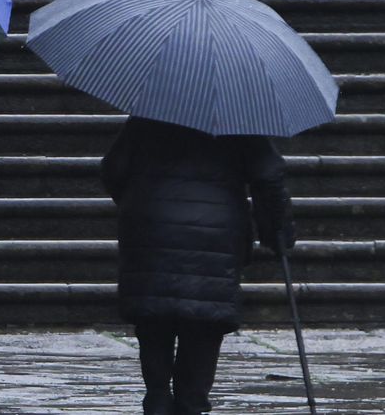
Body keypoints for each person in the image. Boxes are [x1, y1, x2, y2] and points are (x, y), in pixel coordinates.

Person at [101, 116, 297, 415]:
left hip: (152, 224)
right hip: (216, 231)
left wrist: (140, 202)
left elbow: (113, 169)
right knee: (205, 321)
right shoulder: (240, 118)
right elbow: (268, 176)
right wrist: (276, 231)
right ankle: (191, 401)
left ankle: (156, 395)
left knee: (154, 316)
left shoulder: (150, 114)